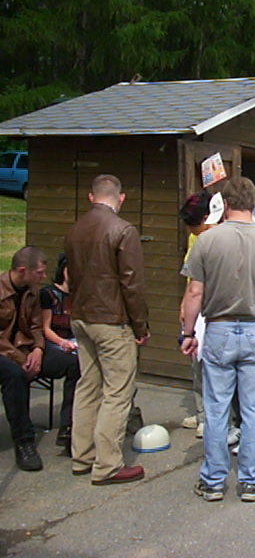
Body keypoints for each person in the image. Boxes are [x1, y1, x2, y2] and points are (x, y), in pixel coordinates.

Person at [180, 177, 255, 502]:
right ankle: (252, 479)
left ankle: (213, 480)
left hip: (220, 328)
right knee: (253, 409)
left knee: (216, 409)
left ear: (224, 203)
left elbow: (194, 292)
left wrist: (188, 332)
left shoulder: (207, 241)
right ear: (254, 202)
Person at [64, 175, 150, 484]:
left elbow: (70, 275)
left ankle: (82, 456)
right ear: (121, 197)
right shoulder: (123, 230)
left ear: (91, 197)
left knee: (88, 386)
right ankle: (108, 465)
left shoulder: (75, 229)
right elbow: (132, 284)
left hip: (81, 316)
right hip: (112, 320)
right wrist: (140, 325)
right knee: (117, 392)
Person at [0, 247, 57, 471]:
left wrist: (38, 350)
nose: (44, 277)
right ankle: (24, 441)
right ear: (23, 270)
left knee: (72, 363)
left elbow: (36, 326)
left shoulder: (33, 291)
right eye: (40, 272)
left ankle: (71, 432)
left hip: (25, 348)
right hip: (6, 352)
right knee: (14, 374)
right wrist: (19, 358)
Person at [177, 191, 224, 437]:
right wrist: (184, 307)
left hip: (216, 308)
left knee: (214, 366)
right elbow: (190, 280)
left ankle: (216, 417)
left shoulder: (221, 237)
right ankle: (202, 414)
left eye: (194, 225)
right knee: (197, 363)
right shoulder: (196, 239)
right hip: (198, 307)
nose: (191, 231)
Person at [38, 253, 83, 454]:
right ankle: (67, 426)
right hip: (52, 342)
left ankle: (80, 422)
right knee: (75, 365)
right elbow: (45, 328)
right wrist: (62, 342)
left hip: (75, 341)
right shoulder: (48, 294)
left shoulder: (79, 294)